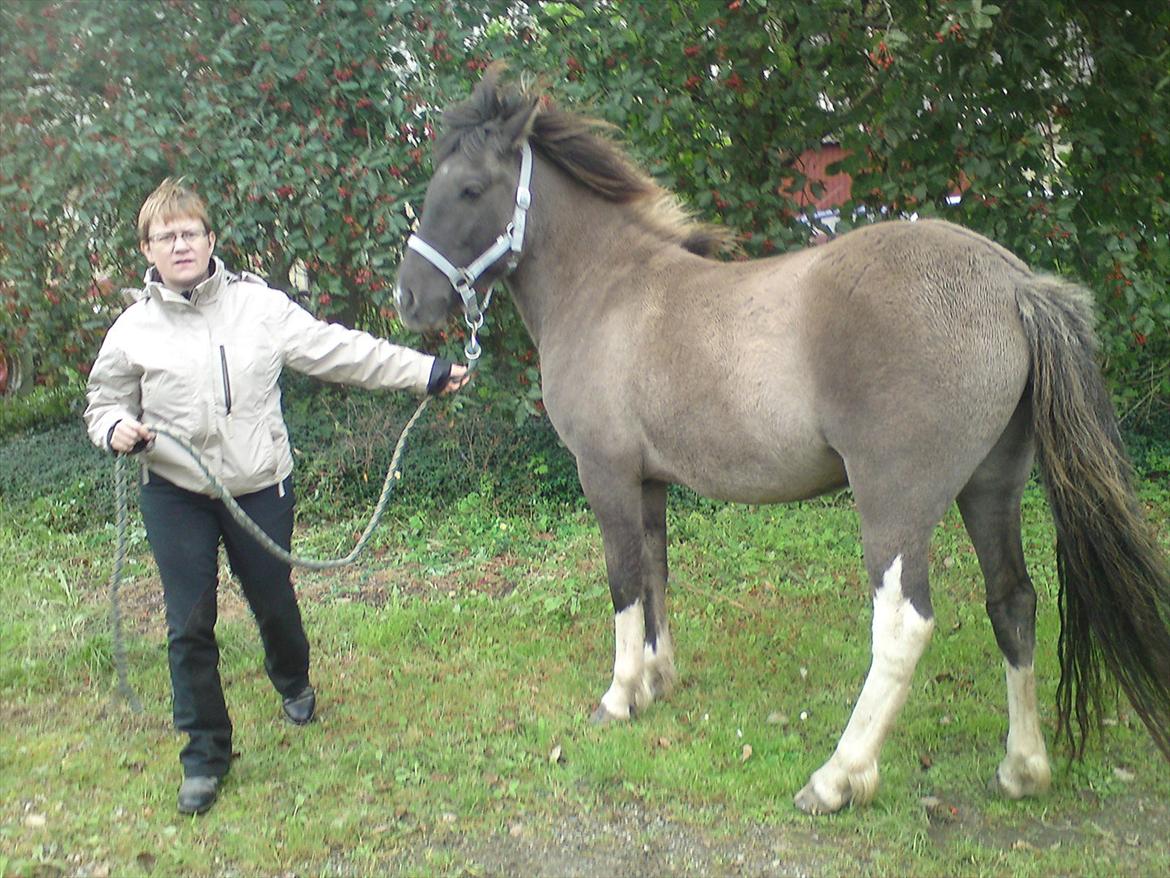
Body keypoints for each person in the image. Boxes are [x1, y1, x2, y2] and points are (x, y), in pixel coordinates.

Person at [84, 177, 469, 815]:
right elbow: (105, 402)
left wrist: (423, 371)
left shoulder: (258, 308)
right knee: (188, 624)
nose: (180, 244)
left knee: (273, 600)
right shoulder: (132, 329)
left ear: (210, 240)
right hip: (175, 492)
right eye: (165, 236)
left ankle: (292, 679)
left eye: (190, 232)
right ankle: (204, 755)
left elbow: (340, 350)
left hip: (261, 483)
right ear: (147, 249)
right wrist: (114, 429)